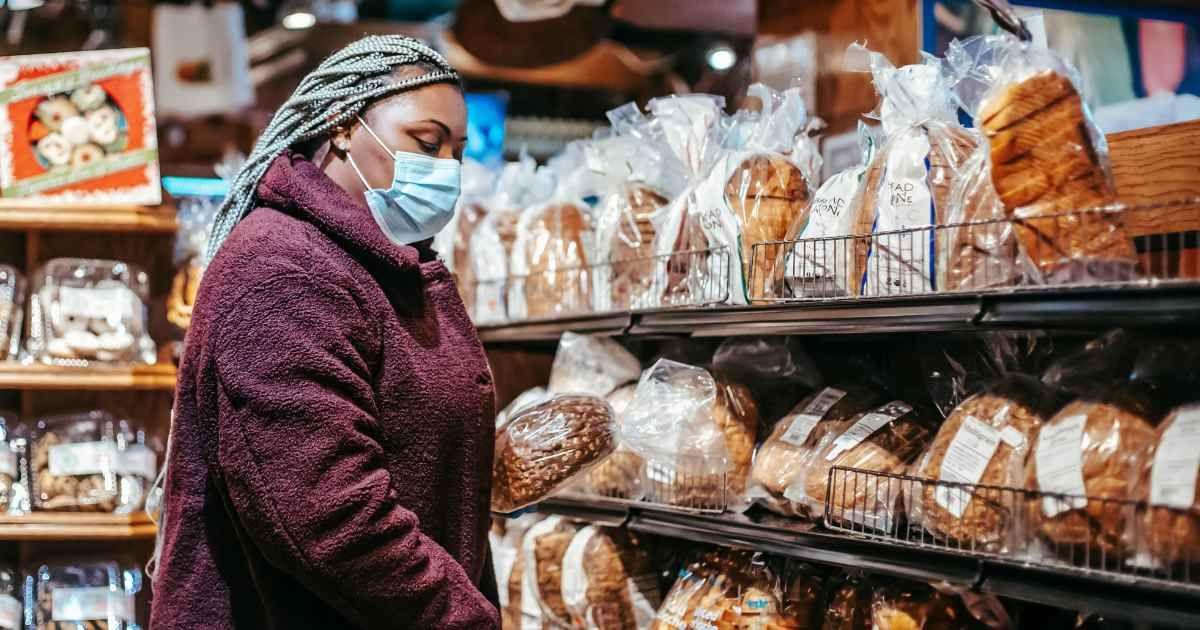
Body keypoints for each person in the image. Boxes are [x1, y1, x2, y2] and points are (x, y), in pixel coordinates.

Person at [149, 35, 499, 629]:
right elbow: (328, 515)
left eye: (457, 152)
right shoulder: (283, 270)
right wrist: (467, 619)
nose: (446, 171)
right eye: (425, 142)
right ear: (341, 125)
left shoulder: (376, 264)